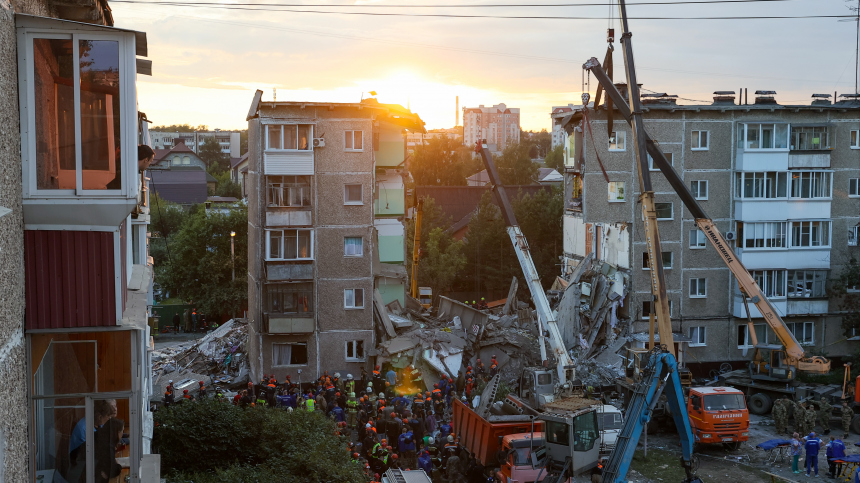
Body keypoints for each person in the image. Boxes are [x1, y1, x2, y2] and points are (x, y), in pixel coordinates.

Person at [94, 418, 125, 483]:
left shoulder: (99, 435)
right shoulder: (107, 446)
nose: (122, 434)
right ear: (118, 432)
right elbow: (113, 471)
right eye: (122, 431)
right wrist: (118, 465)